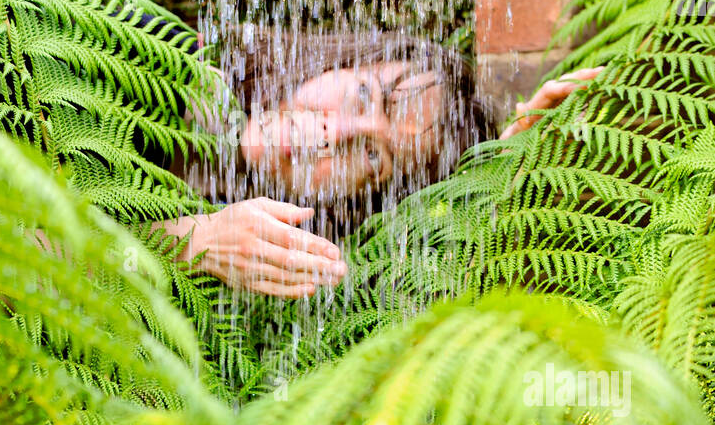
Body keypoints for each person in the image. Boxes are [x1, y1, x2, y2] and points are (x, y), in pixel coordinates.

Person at [156, 26, 602, 301]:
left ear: (360, 200)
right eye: (366, 95)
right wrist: (191, 241)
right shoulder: (150, 53)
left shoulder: (294, 286)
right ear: (339, 63)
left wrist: (494, 184)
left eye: (375, 156)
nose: (343, 134)